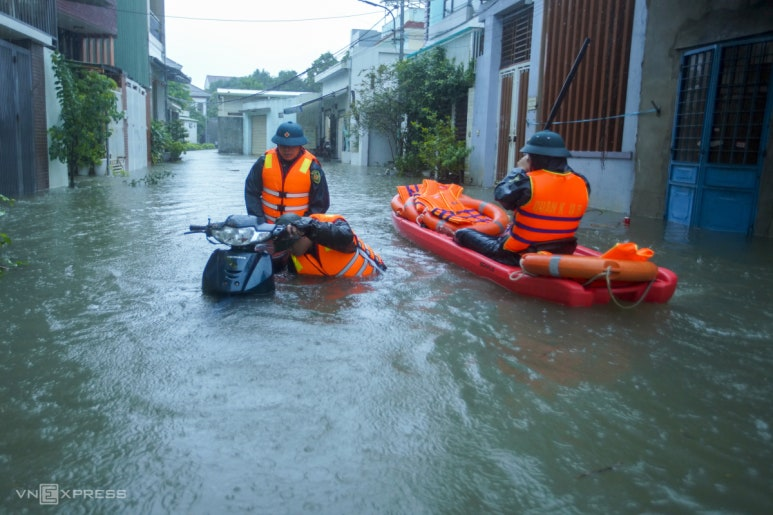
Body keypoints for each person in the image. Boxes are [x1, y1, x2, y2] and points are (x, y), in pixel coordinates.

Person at [454, 130, 591, 266]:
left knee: (462, 233)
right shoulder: (583, 183)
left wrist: (519, 169)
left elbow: (501, 195)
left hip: (517, 253)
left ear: (534, 159)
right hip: (562, 250)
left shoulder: (527, 183)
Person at [244, 121, 330, 223]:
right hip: (267, 226)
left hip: (299, 228)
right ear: (277, 144)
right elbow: (251, 192)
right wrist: (259, 220)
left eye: (292, 146)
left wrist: (303, 225)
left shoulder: (313, 168)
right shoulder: (263, 162)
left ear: (300, 145)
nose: (287, 150)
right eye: (283, 145)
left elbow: (321, 203)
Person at [274, 213, 387, 277]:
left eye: (290, 245)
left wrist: (311, 228)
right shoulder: (292, 260)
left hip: (377, 279)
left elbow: (346, 237)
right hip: (344, 289)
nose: (289, 250)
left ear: (303, 236)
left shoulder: (333, 230)